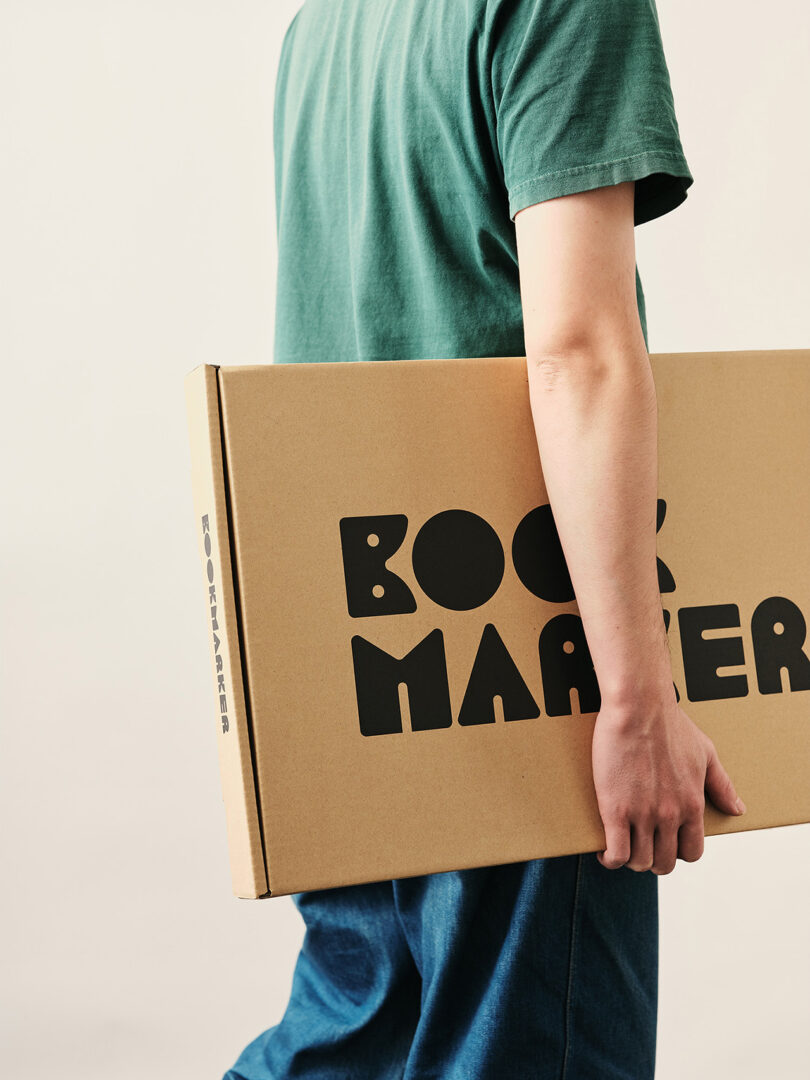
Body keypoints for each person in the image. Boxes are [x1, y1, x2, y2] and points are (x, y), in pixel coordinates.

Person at [224, 1, 745, 1077]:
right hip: (510, 663)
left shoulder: (326, 24)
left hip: (369, 658)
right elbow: (578, 352)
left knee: (348, 1043)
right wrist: (637, 702)